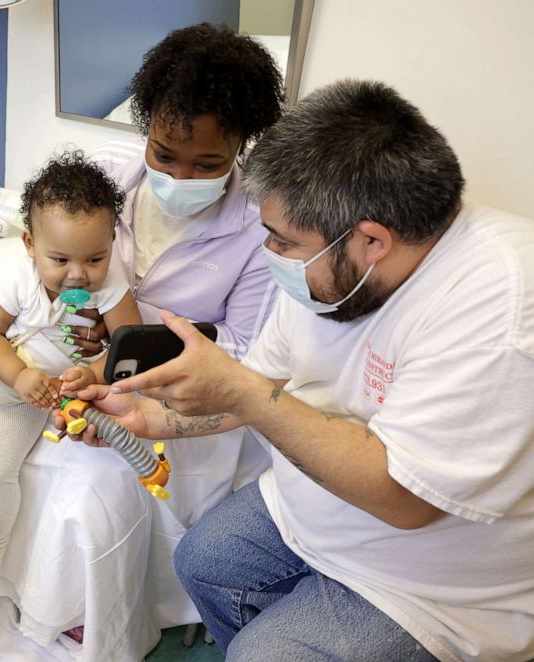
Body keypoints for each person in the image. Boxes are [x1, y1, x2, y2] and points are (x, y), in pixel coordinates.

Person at [70, 80, 534, 661]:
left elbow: (406, 501)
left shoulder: (501, 304)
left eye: (282, 241)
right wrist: (149, 416)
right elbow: (267, 384)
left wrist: (241, 391)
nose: (270, 254)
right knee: (203, 562)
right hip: (313, 508)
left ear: (372, 241)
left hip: (437, 585)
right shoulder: (330, 271)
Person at [0, 23, 286, 660]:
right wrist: (76, 350)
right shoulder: (101, 186)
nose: (180, 174)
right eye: (163, 153)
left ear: (241, 146)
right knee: (0, 446)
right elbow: (50, 266)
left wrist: (117, 352)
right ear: (145, 129)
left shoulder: (257, 231)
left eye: (207, 163)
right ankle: (6, 578)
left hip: (177, 393)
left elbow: (235, 344)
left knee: (80, 489)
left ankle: (80, 613)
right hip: (72, 367)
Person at [0, 152, 142, 581]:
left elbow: (128, 345)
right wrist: (19, 374)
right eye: (60, 261)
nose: (78, 275)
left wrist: (95, 373)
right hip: (3, 370)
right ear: (30, 244)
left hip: (37, 398)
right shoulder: (14, 277)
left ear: (112, 243)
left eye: (94, 260)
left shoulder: (110, 284)